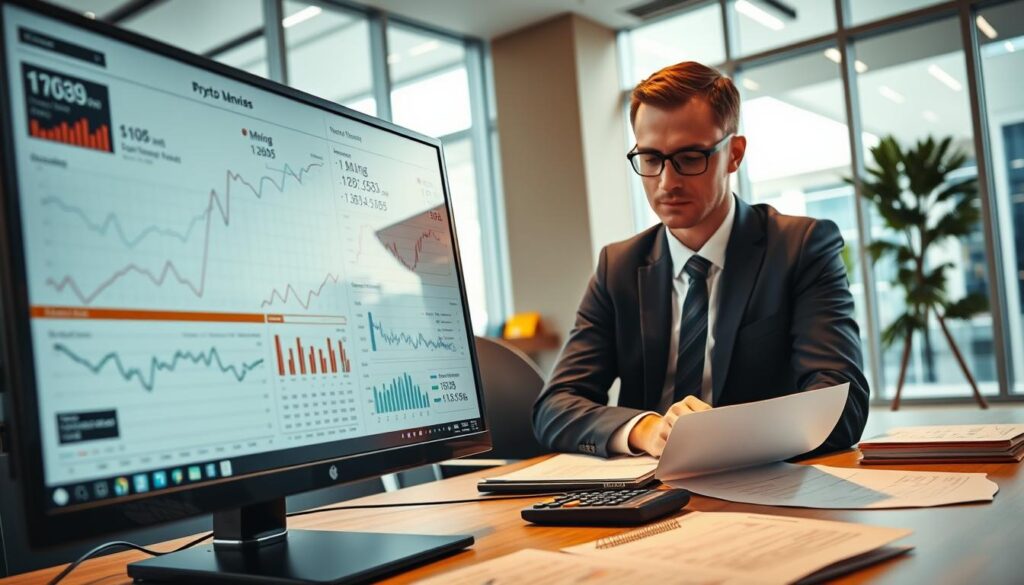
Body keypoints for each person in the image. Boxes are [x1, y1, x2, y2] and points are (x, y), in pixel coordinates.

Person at [532, 61, 869, 458]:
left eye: (690, 158)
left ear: (734, 154)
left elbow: (842, 402)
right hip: (647, 483)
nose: (667, 182)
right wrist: (646, 429)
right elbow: (555, 407)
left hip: (761, 478)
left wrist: (716, 435)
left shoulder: (801, 248)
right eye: (650, 158)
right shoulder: (619, 266)